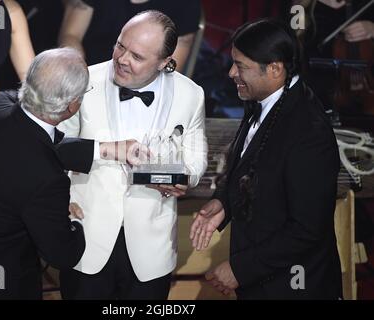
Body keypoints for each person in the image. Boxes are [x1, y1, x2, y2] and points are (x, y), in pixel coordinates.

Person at [0, 48, 146, 300]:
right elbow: (63, 253)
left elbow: (35, 142)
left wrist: (106, 150)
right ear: (72, 105)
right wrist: (77, 221)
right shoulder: (48, 180)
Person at [58, 11, 208, 300]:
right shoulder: (84, 80)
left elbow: (197, 157)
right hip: (86, 239)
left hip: (151, 250)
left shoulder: (191, 94)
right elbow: (54, 146)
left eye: (137, 56)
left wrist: (183, 178)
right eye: (120, 46)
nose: (122, 58)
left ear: (165, 62)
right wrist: (59, 200)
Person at [190, 19, 343, 299]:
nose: (231, 72)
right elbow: (251, 162)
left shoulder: (309, 133)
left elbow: (307, 229)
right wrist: (225, 202)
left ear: (274, 69)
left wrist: (240, 269)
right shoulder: (265, 97)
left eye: (241, 66)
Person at [58, 0, 201, 73]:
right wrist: (79, 70)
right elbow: (71, 35)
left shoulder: (185, 4)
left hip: (143, 83)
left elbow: (172, 67)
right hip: (89, 71)